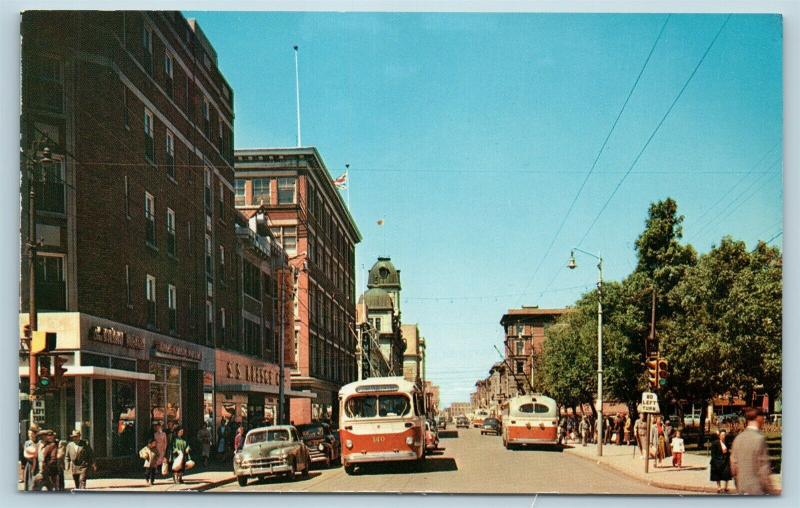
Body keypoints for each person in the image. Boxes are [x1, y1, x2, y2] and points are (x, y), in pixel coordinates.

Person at [731, 408, 776, 495]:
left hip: (742, 489)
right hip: (757, 490)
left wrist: (739, 485)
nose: (764, 421)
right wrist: (771, 491)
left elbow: (733, 467)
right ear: (758, 418)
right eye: (763, 418)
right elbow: (763, 469)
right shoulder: (760, 439)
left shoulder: (738, 438)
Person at [22, 424, 40, 491]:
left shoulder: (39, 443)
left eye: (31, 433)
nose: (29, 435)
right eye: (28, 433)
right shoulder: (27, 443)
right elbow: (25, 454)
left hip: (38, 465)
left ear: (35, 434)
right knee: (29, 483)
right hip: (29, 465)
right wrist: (33, 456)